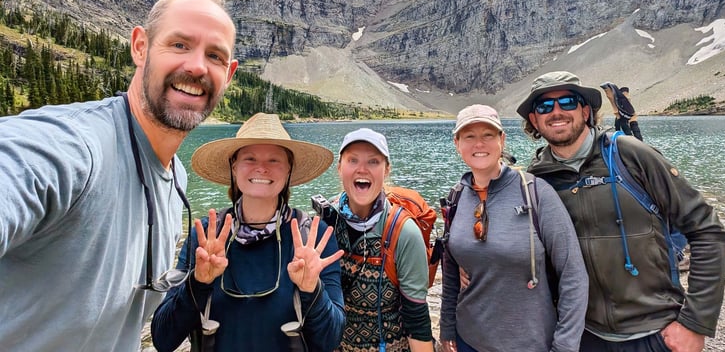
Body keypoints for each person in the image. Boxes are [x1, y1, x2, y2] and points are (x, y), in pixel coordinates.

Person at [0, 0, 239, 351]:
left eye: (215, 55)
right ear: (140, 47)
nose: (196, 66)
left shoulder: (176, 177)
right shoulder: (75, 147)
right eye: (178, 45)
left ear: (230, 73)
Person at [518, 71, 725, 352]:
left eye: (567, 102)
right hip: (582, 336)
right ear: (534, 120)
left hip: (655, 333)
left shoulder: (630, 155)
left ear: (585, 110)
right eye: (544, 107)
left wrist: (695, 323)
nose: (556, 112)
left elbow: (707, 230)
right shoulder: (536, 179)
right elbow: (522, 250)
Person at [151, 113, 345, 351]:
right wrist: (198, 283)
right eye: (250, 158)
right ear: (234, 168)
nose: (261, 168)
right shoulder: (206, 236)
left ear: (288, 171)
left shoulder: (313, 237)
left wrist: (311, 290)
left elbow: (330, 339)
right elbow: (163, 338)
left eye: (274, 160)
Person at [439, 104, 588, 352]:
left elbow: (573, 275)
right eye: (469, 136)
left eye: (488, 135)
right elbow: (451, 270)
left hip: (530, 343)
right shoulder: (456, 198)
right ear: (457, 143)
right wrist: (446, 327)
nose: (479, 144)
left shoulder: (536, 193)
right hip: (469, 341)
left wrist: (565, 345)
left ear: (502, 139)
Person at [317, 128, 433, 352]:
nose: (362, 169)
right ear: (339, 168)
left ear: (386, 170)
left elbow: (416, 318)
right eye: (352, 160)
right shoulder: (326, 220)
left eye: (373, 161)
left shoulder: (403, 232)